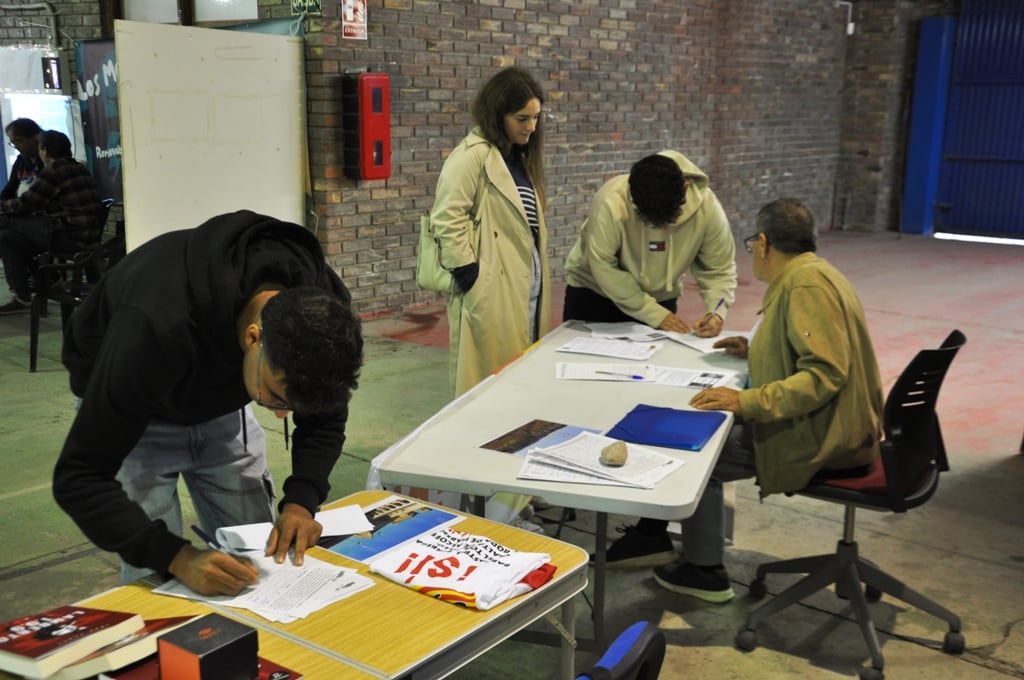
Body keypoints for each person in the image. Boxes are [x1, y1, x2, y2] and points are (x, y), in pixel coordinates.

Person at [52, 210, 365, 597]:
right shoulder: (156, 324)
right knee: (155, 576)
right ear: (254, 338)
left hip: (219, 403)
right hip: (136, 411)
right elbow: (79, 478)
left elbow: (326, 416)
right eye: (277, 398)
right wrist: (176, 557)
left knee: (260, 561)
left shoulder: (322, 311)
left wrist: (302, 500)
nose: (283, 414)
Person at [601, 198, 883, 605]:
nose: (752, 253)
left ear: (764, 243)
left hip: (825, 435)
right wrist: (755, 349)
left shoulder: (803, 286)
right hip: (836, 422)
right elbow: (811, 350)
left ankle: (704, 570)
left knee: (698, 456)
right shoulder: (815, 274)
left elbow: (824, 374)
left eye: (752, 245)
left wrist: (746, 400)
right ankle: (665, 543)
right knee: (704, 428)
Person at [428, 66, 551, 527]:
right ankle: (493, 505)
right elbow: (447, 218)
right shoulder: (473, 155)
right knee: (488, 401)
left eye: (536, 118)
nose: (531, 127)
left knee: (521, 394)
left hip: (526, 290)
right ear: (497, 113)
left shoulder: (517, 156)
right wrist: (470, 273)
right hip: (493, 290)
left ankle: (516, 493)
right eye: (522, 118)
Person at [563, 151, 737, 337]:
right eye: (650, 220)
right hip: (595, 295)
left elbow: (719, 269)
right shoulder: (611, 201)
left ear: (685, 188)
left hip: (659, 299)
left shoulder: (708, 209)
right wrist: (654, 314)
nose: (661, 228)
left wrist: (716, 312)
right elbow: (603, 266)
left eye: (668, 219)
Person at [0, 130, 106, 314]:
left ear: (45, 150)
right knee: (7, 238)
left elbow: (27, 203)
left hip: (70, 237)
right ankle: (26, 293)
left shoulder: (54, 171)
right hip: (86, 235)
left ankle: (45, 284)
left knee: (5, 221)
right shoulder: (78, 167)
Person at [2, 117, 44, 200]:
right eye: (13, 143)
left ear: (36, 137)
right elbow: (9, 190)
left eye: (19, 141)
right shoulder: (21, 161)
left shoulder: (48, 161)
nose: (16, 147)